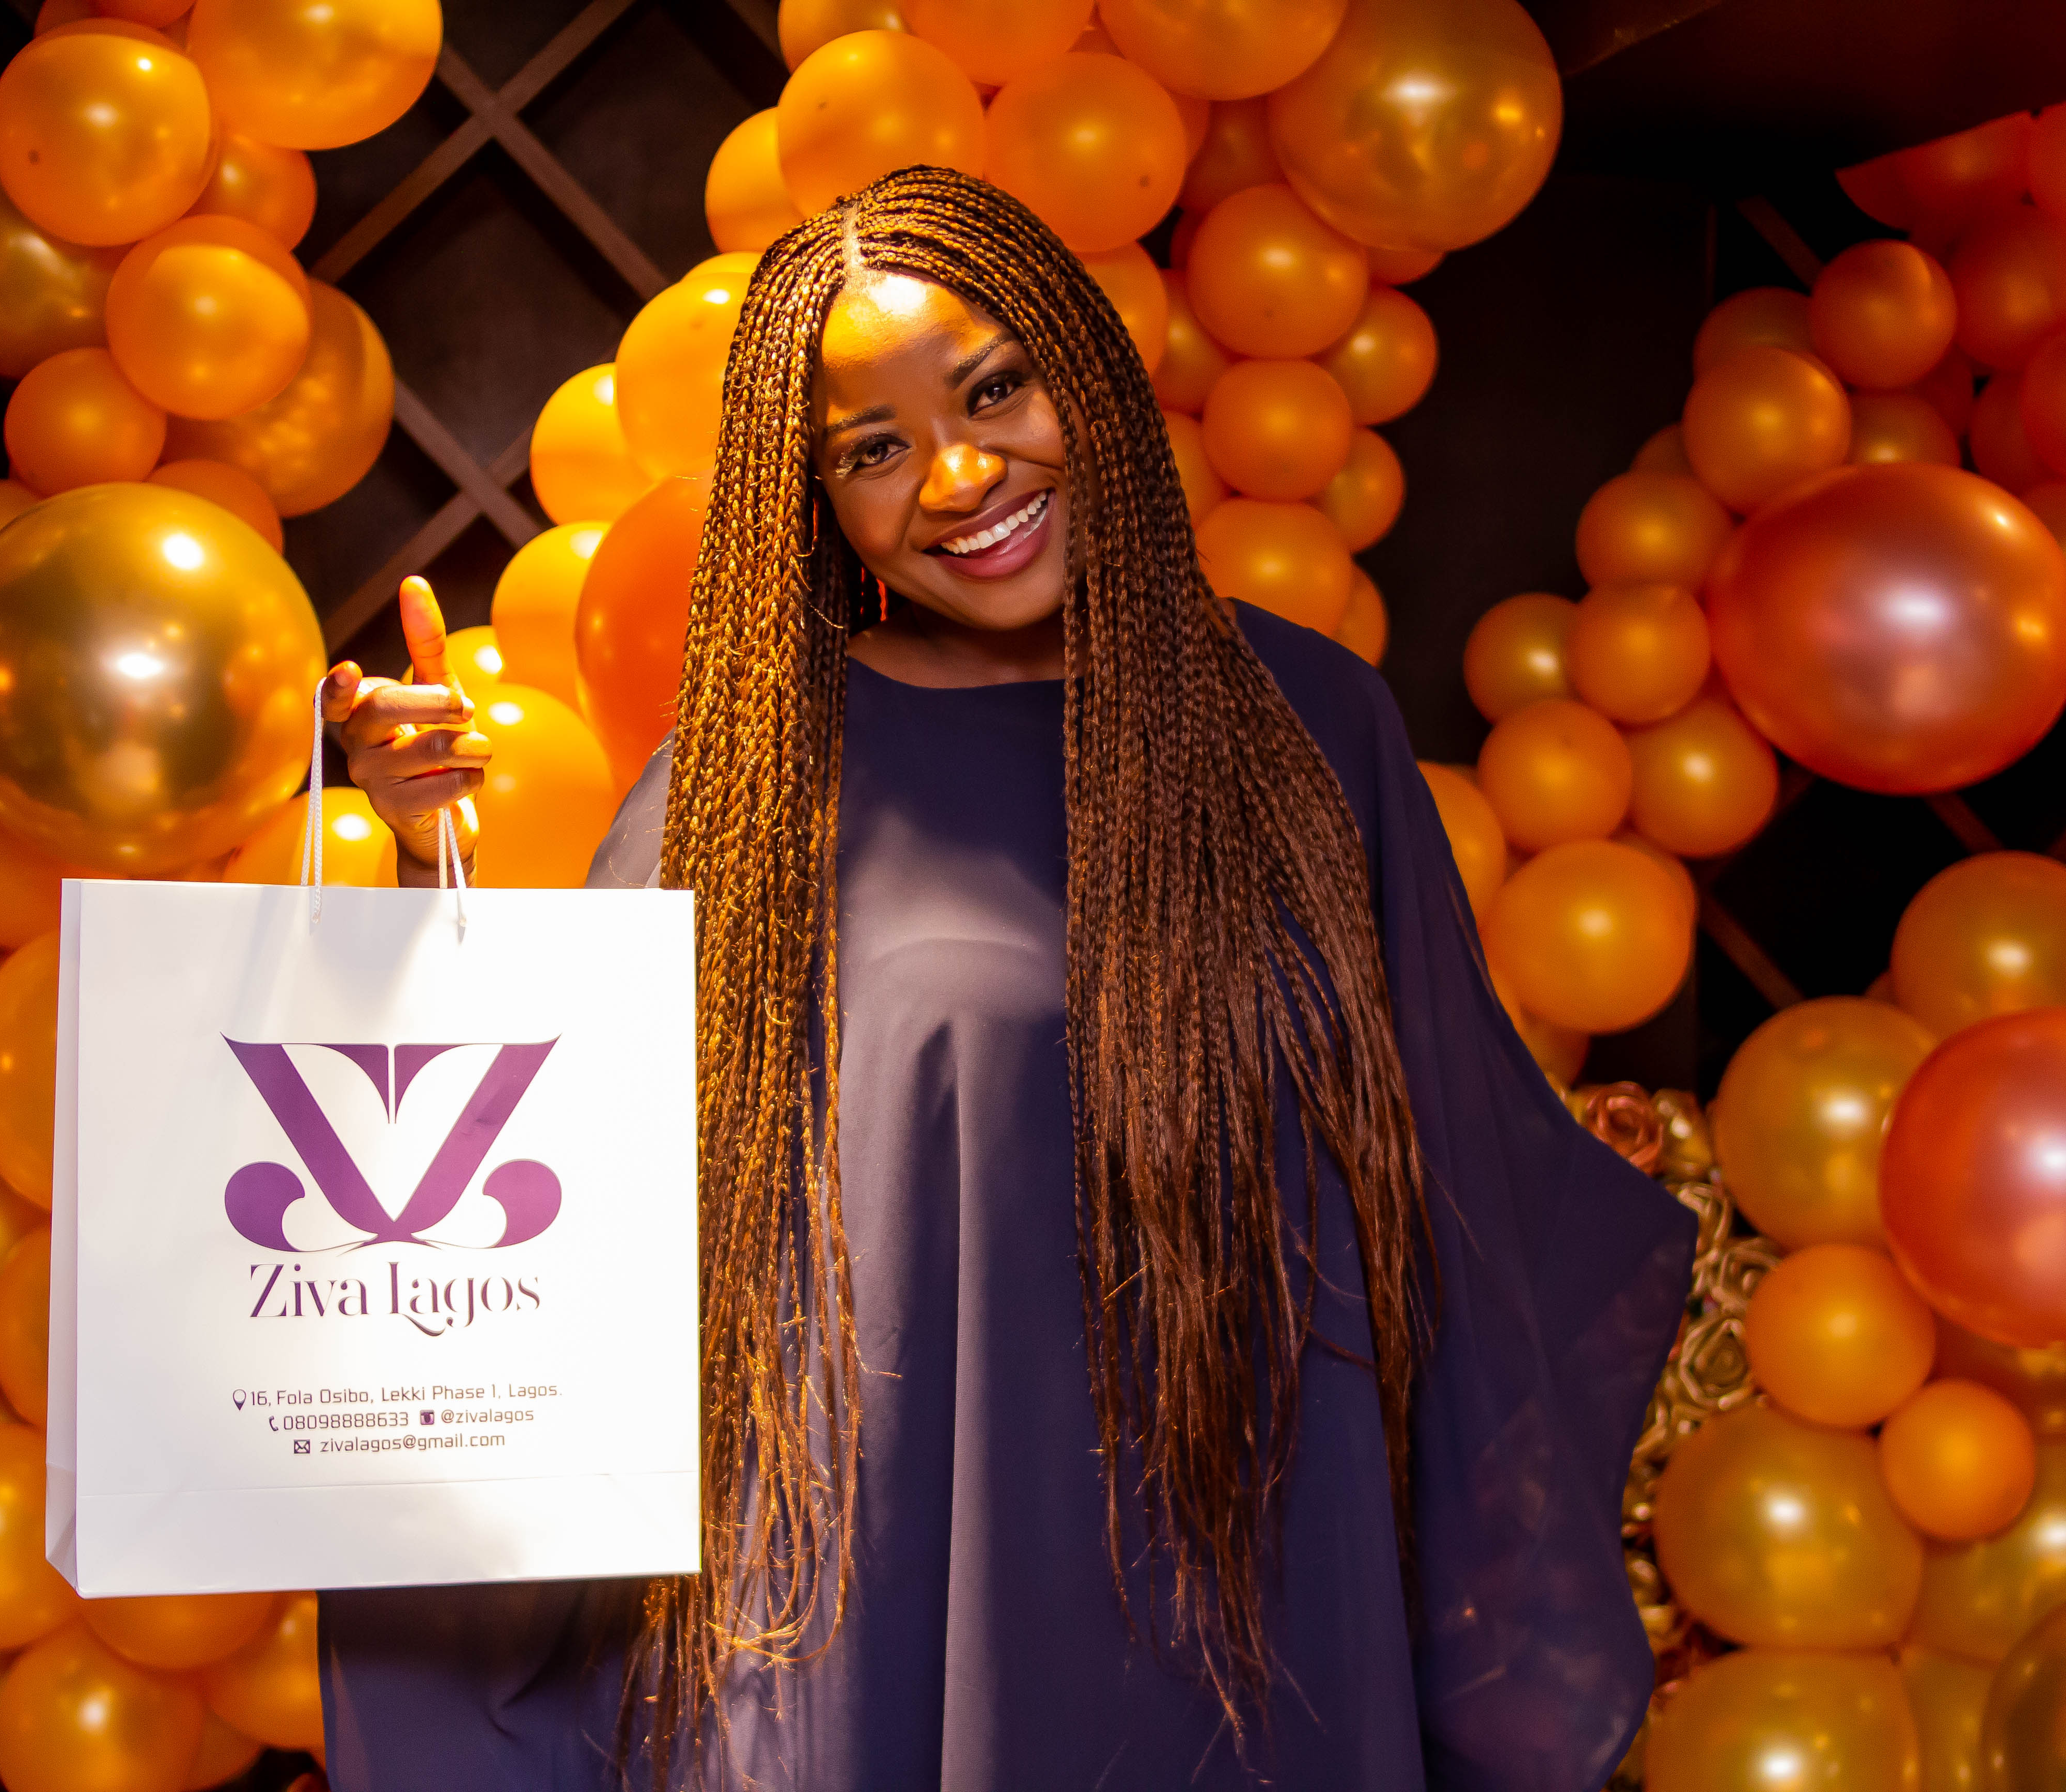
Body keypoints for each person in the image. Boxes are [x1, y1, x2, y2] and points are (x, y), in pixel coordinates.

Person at [314, 166, 1694, 1792]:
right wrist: (429, 860)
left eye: (992, 391)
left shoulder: (1313, 722)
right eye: (872, 450)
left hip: (1258, 1597)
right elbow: (533, 1193)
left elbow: (1459, 1179)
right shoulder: (752, 783)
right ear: (815, 498)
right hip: (875, 1611)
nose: (960, 478)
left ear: (1083, 373)